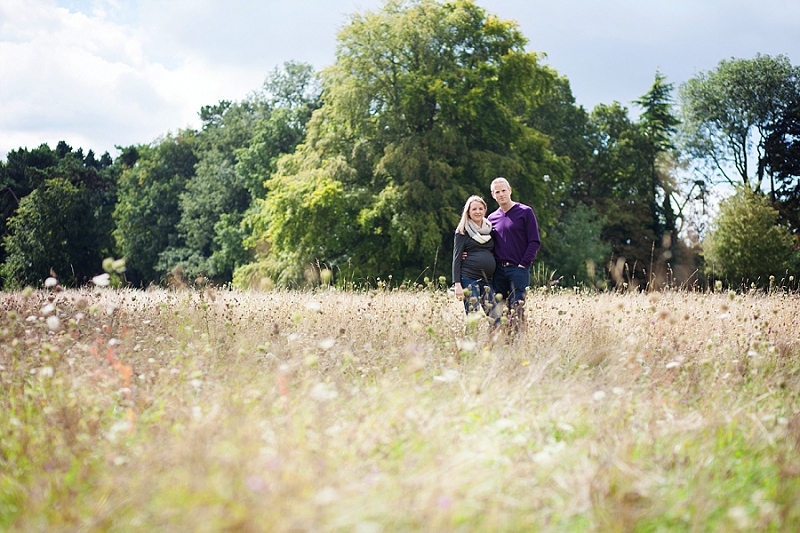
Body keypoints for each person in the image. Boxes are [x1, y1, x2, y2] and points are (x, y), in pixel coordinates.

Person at [487, 177, 540, 332]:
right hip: (498, 271)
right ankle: (501, 342)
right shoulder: (491, 218)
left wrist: (523, 264)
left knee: (517, 309)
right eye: (498, 192)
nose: (501, 194)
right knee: (499, 310)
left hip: (518, 269)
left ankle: (517, 345)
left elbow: (534, 241)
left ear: (510, 190)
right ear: (493, 195)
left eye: (504, 190)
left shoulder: (525, 212)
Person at [452, 195, 496, 316]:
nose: (478, 212)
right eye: (474, 209)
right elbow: (456, 258)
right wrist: (457, 284)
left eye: (480, 209)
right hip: (469, 278)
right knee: (473, 315)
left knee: (496, 317)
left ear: (485, 210)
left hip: (488, 280)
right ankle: (470, 336)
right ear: (468, 212)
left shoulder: (490, 229)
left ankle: (494, 336)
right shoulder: (462, 231)